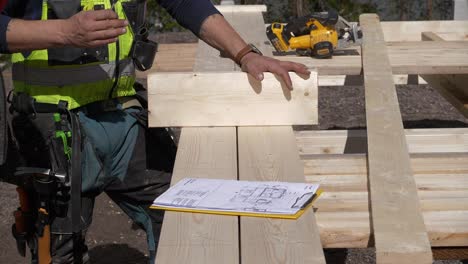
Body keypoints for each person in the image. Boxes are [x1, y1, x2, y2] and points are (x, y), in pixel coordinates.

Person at [0, 1, 310, 263]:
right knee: (59, 248)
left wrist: (246, 55)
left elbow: (185, 3)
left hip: (122, 118)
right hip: (53, 126)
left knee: (187, 214)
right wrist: (64, 32)